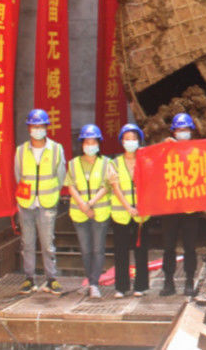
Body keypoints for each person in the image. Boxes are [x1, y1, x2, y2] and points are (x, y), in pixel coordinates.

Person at [14, 109, 67, 295]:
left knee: (47, 243)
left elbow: (60, 176)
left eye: (41, 126)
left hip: (47, 203)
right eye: (34, 126)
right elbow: (19, 176)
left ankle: (51, 279)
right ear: (29, 128)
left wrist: (50, 195)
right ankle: (29, 279)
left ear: (46, 128)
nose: (38, 129)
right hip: (26, 204)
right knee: (27, 243)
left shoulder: (56, 149)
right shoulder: (21, 151)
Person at [66, 124, 114, 297]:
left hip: (100, 212)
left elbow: (107, 186)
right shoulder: (73, 164)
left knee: (98, 249)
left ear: (98, 144)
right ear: (82, 144)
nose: (90, 145)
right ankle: (90, 280)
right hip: (79, 214)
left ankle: (94, 284)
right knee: (85, 249)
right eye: (87, 142)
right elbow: (70, 186)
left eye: (93, 141)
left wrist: (91, 203)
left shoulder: (107, 163)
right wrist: (83, 205)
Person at [160, 113, 202, 296]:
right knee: (168, 246)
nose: (182, 133)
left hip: (190, 208)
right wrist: (164, 148)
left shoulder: (198, 151)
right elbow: (155, 168)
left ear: (191, 131)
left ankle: (189, 281)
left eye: (185, 130)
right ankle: (168, 281)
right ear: (174, 132)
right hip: (170, 207)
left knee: (189, 247)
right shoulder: (166, 149)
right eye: (179, 130)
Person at [109, 123, 150, 298]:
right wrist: (127, 206)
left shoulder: (145, 160)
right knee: (121, 251)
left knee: (141, 250)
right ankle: (121, 286)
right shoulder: (115, 163)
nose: (130, 142)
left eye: (134, 139)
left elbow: (150, 184)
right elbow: (115, 187)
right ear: (122, 141)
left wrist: (142, 205)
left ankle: (140, 286)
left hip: (142, 214)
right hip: (121, 214)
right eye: (127, 139)